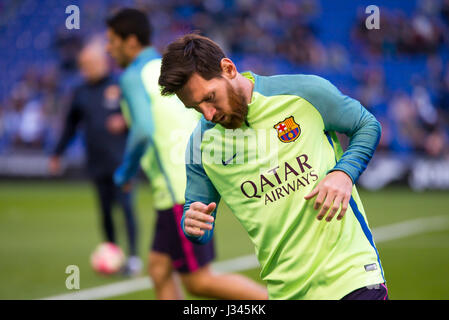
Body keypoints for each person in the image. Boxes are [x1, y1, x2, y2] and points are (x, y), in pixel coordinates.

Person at [158, 33, 388, 300]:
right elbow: (197, 219)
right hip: (285, 292)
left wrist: (344, 172)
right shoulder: (200, 146)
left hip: (352, 278)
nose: (208, 113)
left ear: (229, 69)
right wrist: (192, 225)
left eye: (210, 97)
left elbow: (367, 125)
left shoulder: (304, 93)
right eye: (195, 107)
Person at [105, 8, 267, 300]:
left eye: (112, 40)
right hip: (184, 182)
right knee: (158, 269)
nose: (108, 48)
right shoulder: (172, 70)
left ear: (129, 42)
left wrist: (124, 174)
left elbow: (141, 129)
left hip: (180, 190)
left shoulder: (131, 77)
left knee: (199, 282)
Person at [49, 41, 142, 276]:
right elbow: (70, 126)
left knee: (126, 208)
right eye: (83, 65)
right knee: (106, 213)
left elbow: (142, 118)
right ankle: (113, 253)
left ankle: (133, 257)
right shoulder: (80, 92)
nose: (85, 69)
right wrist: (57, 153)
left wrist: (125, 121)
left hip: (122, 162)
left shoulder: (121, 85)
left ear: (101, 62)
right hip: (97, 163)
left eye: (89, 64)